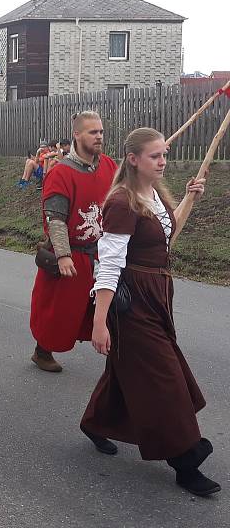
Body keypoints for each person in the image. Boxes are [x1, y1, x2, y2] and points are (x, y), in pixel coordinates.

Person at [80, 127, 220, 497]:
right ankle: (185, 460)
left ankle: (96, 421)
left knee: (128, 367)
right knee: (163, 376)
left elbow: (167, 235)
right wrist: (99, 321)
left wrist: (190, 198)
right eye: (155, 156)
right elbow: (108, 266)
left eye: (164, 155)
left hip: (157, 294)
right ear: (133, 159)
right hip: (132, 302)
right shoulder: (121, 202)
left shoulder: (153, 195)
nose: (163, 161)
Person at [29, 111, 117, 372]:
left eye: (100, 131)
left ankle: (119, 357)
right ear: (77, 135)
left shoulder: (109, 166)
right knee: (60, 311)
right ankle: (42, 351)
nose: (99, 136)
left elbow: (123, 192)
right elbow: (55, 219)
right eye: (93, 132)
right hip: (72, 253)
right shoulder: (60, 173)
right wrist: (63, 255)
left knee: (105, 308)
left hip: (100, 252)